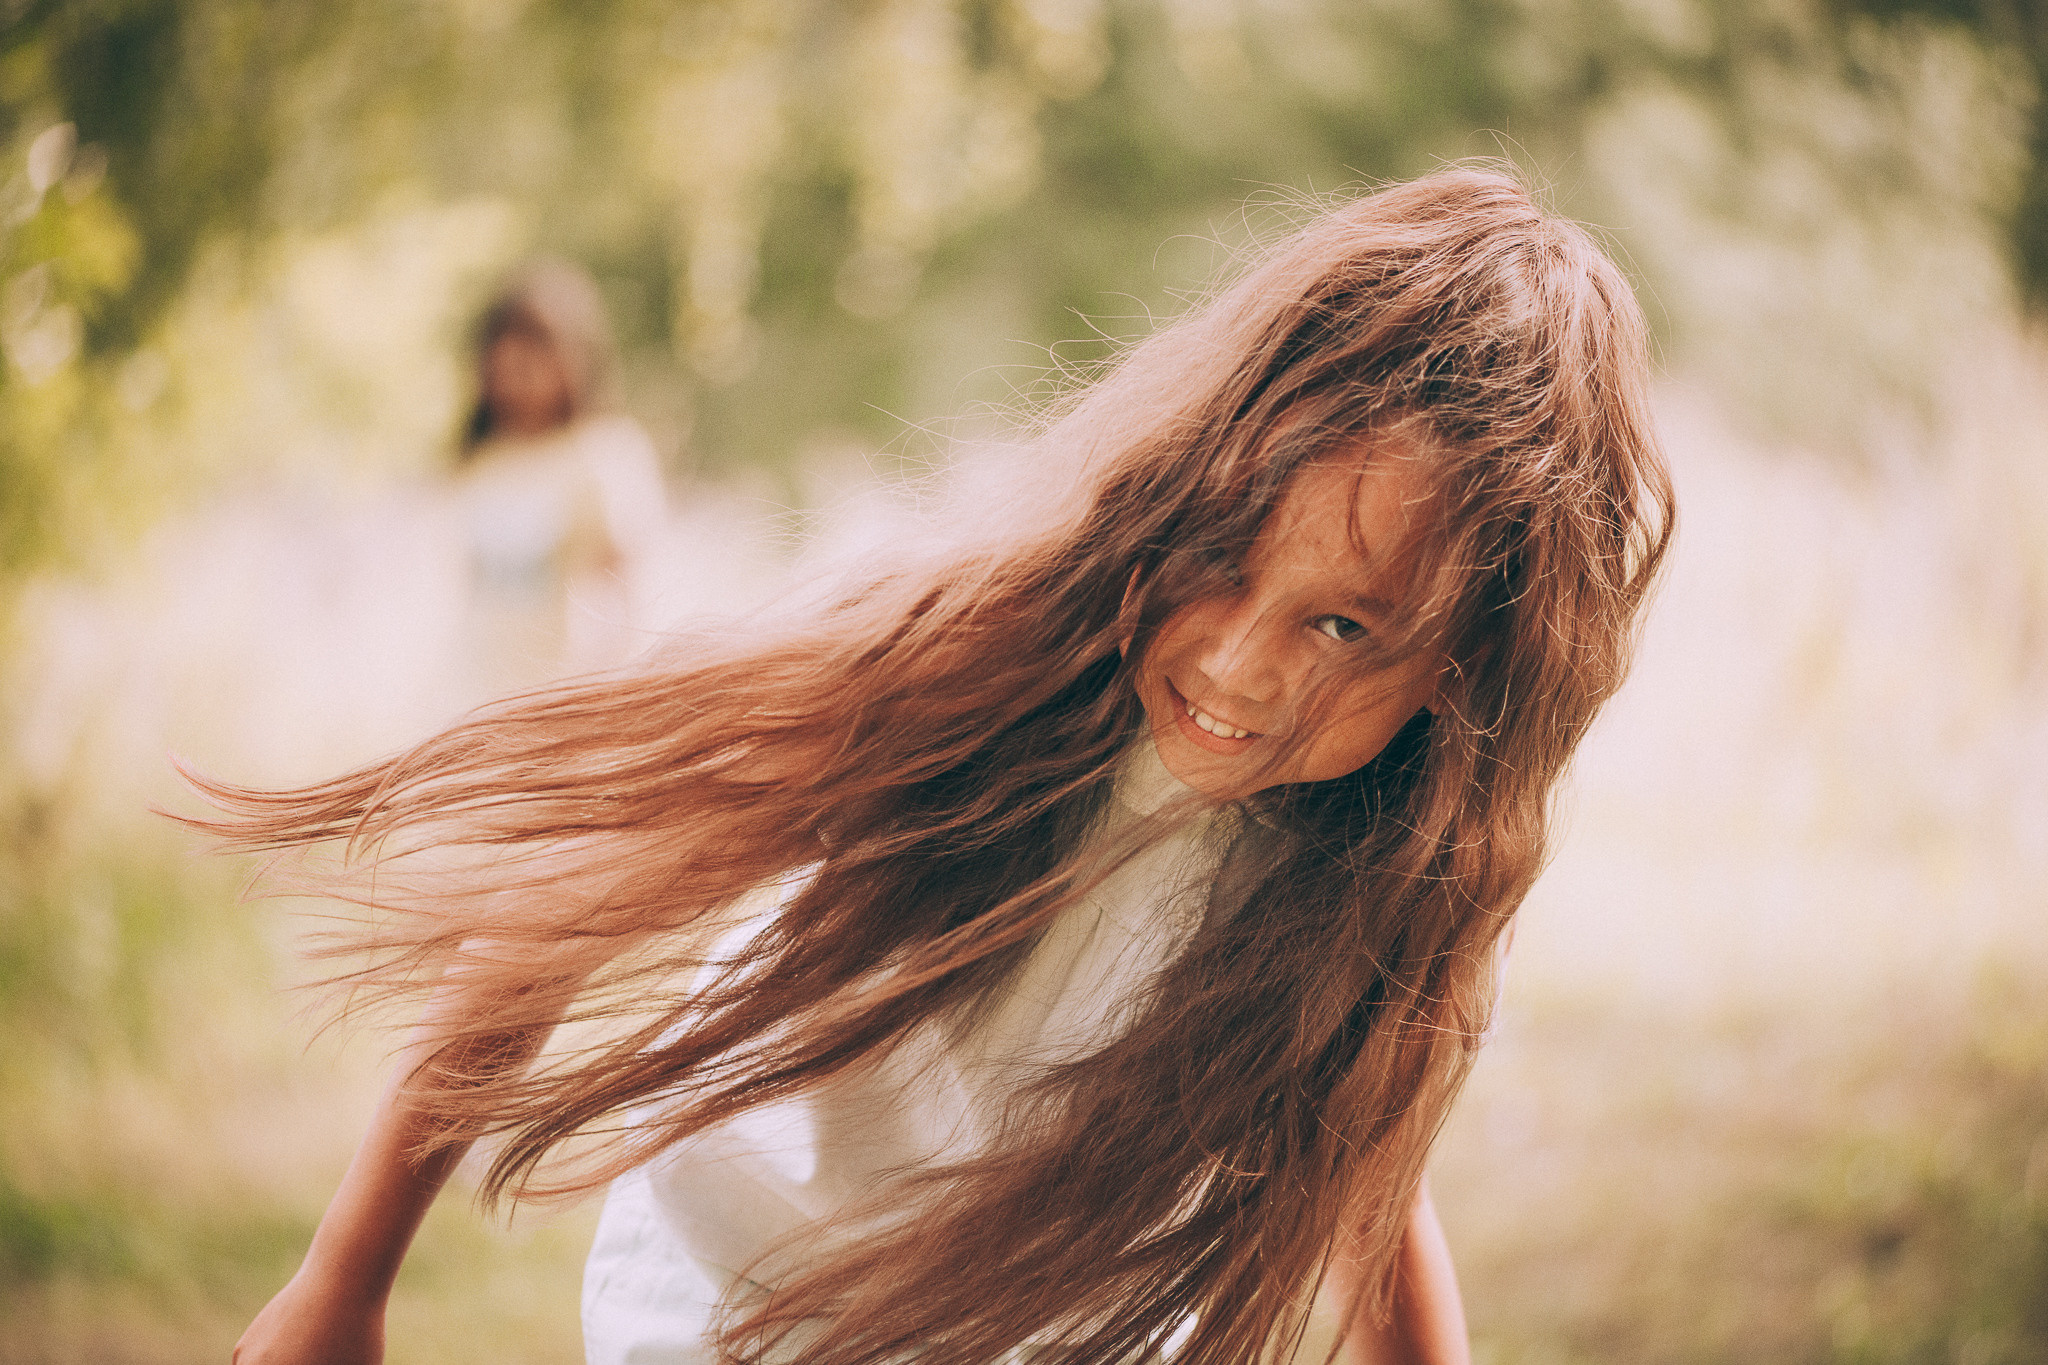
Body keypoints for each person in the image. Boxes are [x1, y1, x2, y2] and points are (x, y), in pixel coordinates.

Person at [207, 166, 1673, 1365]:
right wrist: (346, 1281)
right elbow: (570, 907)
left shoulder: (1379, 877)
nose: (1240, 664)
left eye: (1343, 624)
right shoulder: (953, 666)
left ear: (1464, 678)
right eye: (1223, 559)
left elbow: (1371, 1170)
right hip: (729, 1316)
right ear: (1175, 488)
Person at [453, 258, 668, 688]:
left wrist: (608, 687)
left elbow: (627, 590)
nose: (518, 374)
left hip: (566, 695)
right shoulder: (482, 461)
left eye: (536, 355)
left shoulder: (605, 454)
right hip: (479, 695)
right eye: (506, 358)